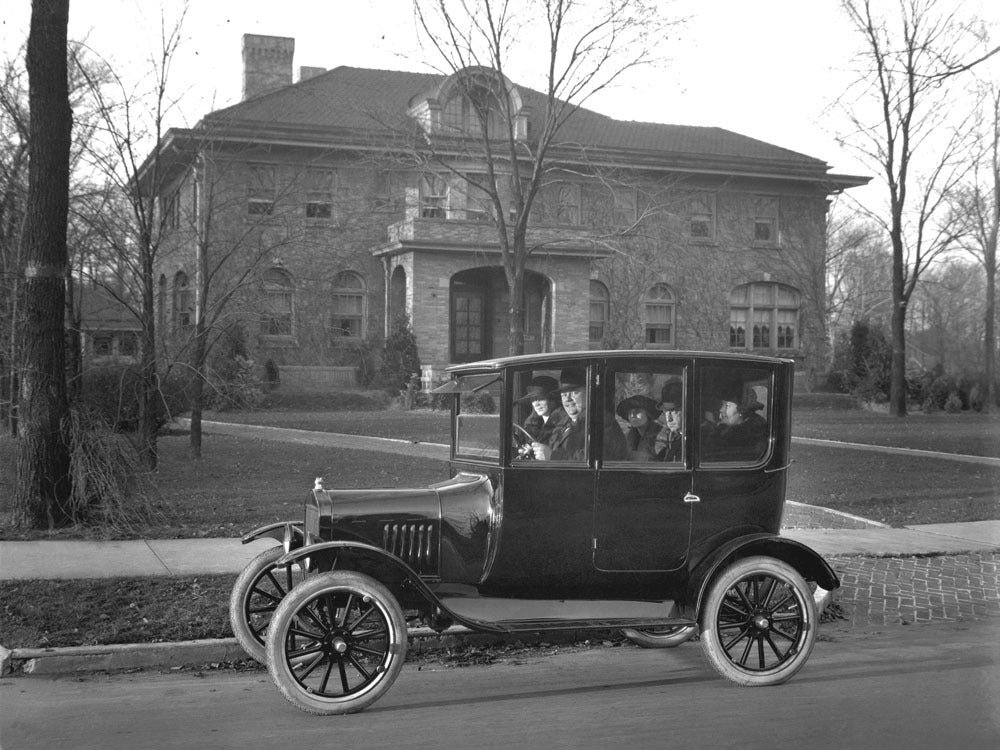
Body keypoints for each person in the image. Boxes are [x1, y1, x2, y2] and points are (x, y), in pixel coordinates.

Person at [531, 368, 628, 461]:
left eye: (574, 392)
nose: (567, 399)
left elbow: (595, 459)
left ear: (588, 393)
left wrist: (553, 456)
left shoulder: (601, 422)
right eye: (564, 394)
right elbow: (550, 448)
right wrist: (536, 451)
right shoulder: (563, 423)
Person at [703, 380, 767, 459]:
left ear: (741, 410)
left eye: (728, 406)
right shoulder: (722, 430)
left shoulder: (751, 433)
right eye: (722, 405)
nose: (721, 410)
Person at [516, 375, 561, 446]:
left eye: (540, 398)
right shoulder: (531, 425)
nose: (536, 404)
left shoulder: (563, 424)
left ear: (552, 399)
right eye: (533, 399)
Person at [616, 394, 661, 461]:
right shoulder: (627, 438)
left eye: (637, 411)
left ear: (648, 414)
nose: (632, 415)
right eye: (629, 412)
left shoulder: (661, 436)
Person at [654, 381, 684, 462]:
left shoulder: (700, 439)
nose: (669, 418)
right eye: (666, 411)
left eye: (674, 411)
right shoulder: (669, 437)